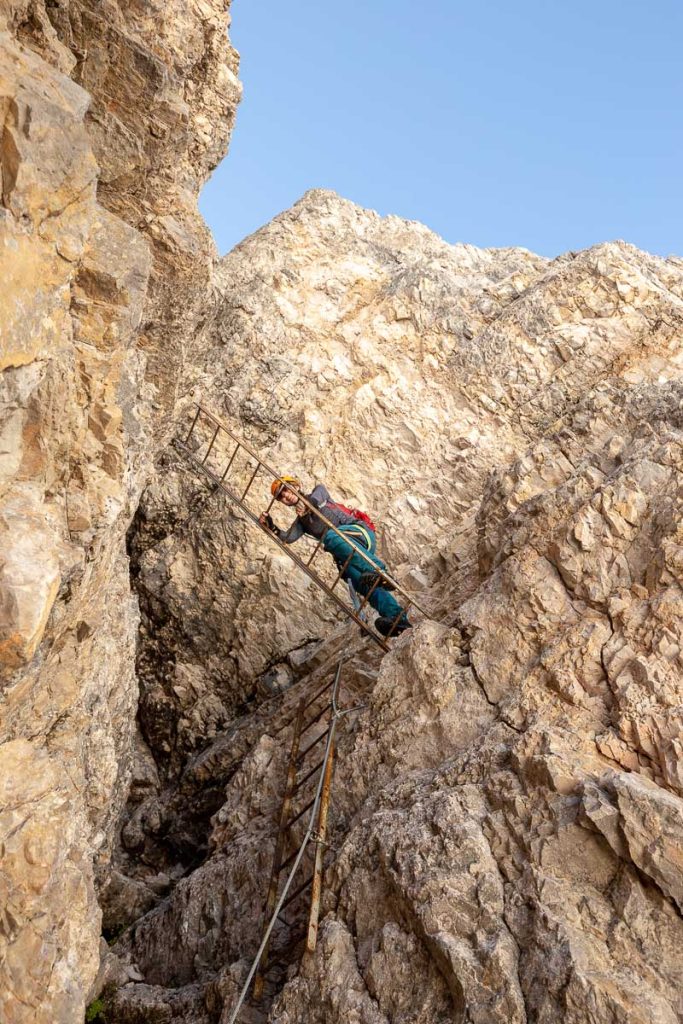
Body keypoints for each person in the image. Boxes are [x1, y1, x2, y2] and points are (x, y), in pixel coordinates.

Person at [259, 477, 412, 636]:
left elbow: (316, 498)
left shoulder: (319, 492)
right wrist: (272, 527)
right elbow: (288, 538)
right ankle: (397, 619)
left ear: (295, 485)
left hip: (360, 534)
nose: (286, 495)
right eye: (281, 496)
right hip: (351, 554)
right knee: (362, 582)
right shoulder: (302, 521)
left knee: (330, 536)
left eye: (286, 489)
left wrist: (306, 505)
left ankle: (380, 571)